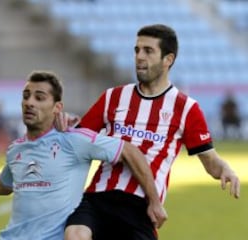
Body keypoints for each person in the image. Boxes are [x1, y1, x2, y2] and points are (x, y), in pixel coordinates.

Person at [0, 71, 167, 239]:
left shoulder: (74, 140)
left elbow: (129, 151)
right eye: (26, 96)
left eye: (40, 98)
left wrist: (154, 201)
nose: (30, 102)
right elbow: (3, 184)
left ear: (57, 107)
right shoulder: (16, 148)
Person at [60, 24, 240, 240]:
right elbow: (76, 142)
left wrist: (225, 169)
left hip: (140, 208)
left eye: (148, 51)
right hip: (98, 197)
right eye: (137, 50)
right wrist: (67, 126)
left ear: (168, 59)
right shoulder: (113, 97)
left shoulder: (186, 108)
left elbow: (210, 161)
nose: (139, 57)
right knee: (75, 235)